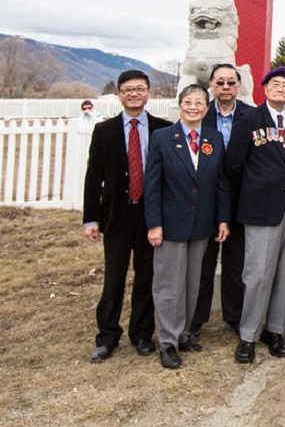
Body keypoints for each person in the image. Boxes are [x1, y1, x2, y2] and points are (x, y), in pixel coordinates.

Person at [83, 70, 171, 363]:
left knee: (147, 276)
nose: (134, 94)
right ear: (119, 94)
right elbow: (93, 177)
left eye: (140, 89)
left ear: (148, 93)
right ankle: (107, 335)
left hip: (150, 215)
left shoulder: (162, 129)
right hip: (117, 216)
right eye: (128, 90)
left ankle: (142, 334)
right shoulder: (104, 131)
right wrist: (90, 218)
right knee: (114, 277)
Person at [225, 65, 285, 364]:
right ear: (264, 88)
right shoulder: (249, 118)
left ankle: (276, 331)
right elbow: (234, 165)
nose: (281, 89)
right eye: (275, 84)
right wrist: (254, 191)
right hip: (260, 208)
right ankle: (248, 335)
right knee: (258, 274)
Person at [144, 84, 230, 369]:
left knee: (193, 282)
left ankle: (183, 333)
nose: (193, 107)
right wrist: (154, 224)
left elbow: (220, 182)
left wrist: (222, 219)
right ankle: (168, 341)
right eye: (188, 102)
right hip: (170, 225)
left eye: (199, 103)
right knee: (169, 284)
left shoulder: (214, 138)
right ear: (179, 105)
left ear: (207, 108)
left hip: (202, 224)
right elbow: (152, 185)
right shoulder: (162, 137)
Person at [190, 64, 249, 340]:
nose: (225, 87)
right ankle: (196, 319)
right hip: (205, 200)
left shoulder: (251, 115)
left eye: (230, 82)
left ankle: (234, 317)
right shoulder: (200, 115)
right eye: (220, 83)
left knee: (236, 263)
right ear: (211, 86)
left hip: (240, 199)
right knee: (203, 263)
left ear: (239, 86)